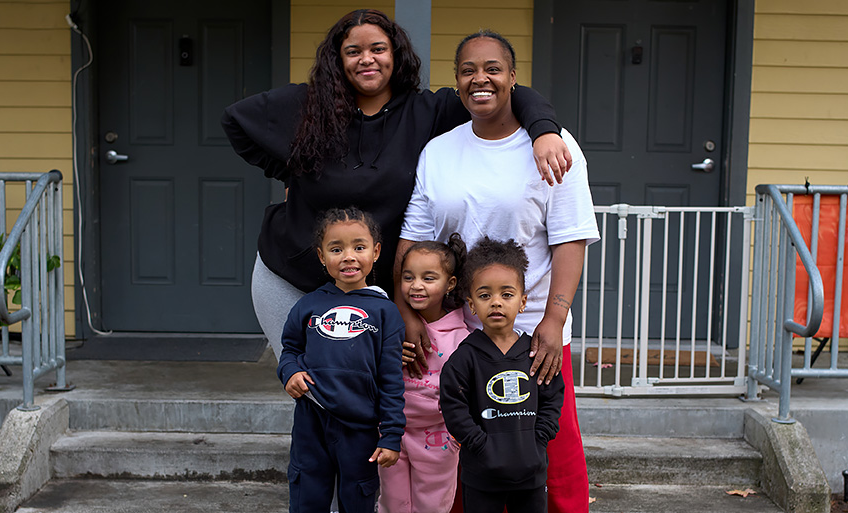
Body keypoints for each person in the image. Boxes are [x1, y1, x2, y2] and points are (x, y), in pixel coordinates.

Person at [221, 9, 572, 360]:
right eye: (353, 52)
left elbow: (506, 92)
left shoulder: (427, 112)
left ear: (396, 54)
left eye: (378, 48)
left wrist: (543, 131)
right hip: (293, 276)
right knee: (315, 390)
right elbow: (235, 120)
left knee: (364, 395)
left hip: (376, 289)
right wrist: (291, 171)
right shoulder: (307, 105)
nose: (367, 59)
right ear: (338, 60)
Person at [398, 31, 600, 513]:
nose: (480, 79)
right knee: (462, 441)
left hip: (534, 331)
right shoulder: (439, 152)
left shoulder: (553, 145)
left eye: (492, 68)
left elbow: (570, 237)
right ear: (456, 81)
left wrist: (553, 320)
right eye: (468, 70)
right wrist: (408, 311)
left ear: (513, 77)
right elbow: (413, 240)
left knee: (552, 441)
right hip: (458, 331)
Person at [277, 207, 404, 512]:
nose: (348, 256)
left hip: (359, 425)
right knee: (308, 491)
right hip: (312, 419)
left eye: (359, 247)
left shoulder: (386, 312)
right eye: (337, 249)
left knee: (357, 497)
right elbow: (289, 350)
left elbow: (391, 378)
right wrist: (290, 372)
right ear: (322, 256)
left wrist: (391, 434)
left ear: (375, 252)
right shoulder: (308, 306)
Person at [440, 237, 564, 513]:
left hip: (531, 474)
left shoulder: (535, 353)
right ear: (471, 305)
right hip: (482, 476)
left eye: (506, 295)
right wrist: (480, 445)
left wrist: (539, 438)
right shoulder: (465, 358)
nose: (496, 302)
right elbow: (452, 406)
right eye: (485, 296)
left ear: (522, 302)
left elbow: (552, 397)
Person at [378, 235, 471, 513]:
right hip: (392, 432)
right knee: (391, 502)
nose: (416, 286)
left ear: (450, 284)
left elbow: (466, 393)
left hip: (438, 437)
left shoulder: (462, 338)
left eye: (428, 278)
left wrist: (458, 434)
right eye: (408, 277)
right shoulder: (391, 327)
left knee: (432, 504)